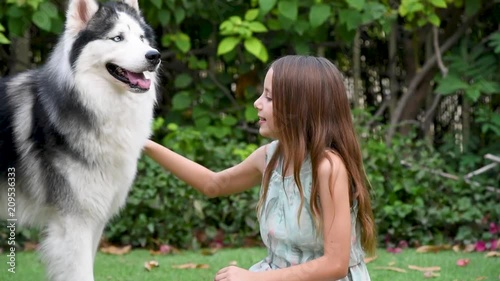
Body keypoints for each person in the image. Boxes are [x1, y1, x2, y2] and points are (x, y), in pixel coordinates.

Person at [143, 55, 375, 281]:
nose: (257, 103)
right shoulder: (270, 157)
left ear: (300, 108)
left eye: (269, 97)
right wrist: (143, 143)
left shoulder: (328, 168)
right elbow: (213, 184)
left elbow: (335, 265)